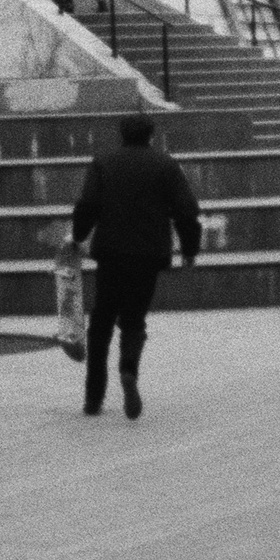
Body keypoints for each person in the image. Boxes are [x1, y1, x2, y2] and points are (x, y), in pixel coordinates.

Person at [68, 115, 201, 419]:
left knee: (101, 323)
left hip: (112, 252)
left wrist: (78, 236)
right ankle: (128, 371)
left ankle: (93, 397)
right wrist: (190, 250)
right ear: (150, 135)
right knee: (134, 320)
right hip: (149, 254)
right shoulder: (166, 164)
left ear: (122, 135)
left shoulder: (104, 162)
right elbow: (186, 210)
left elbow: (87, 204)